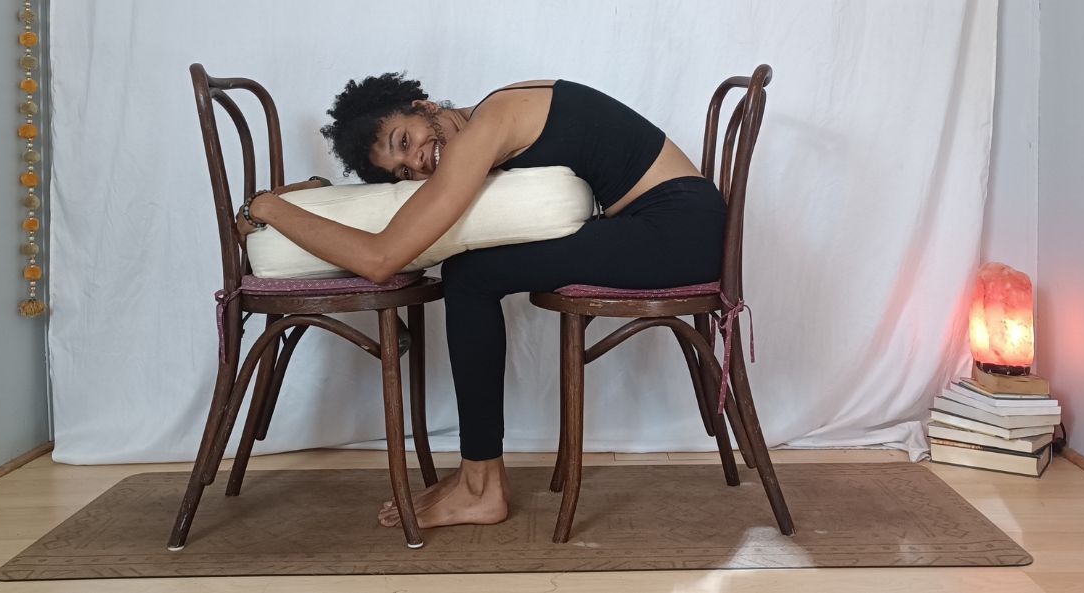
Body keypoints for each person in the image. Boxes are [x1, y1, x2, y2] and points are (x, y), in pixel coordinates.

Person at [239, 73, 724, 529]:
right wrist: (313, 193)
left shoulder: (489, 126)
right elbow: (379, 213)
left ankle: (481, 485)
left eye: (406, 141)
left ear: (424, 106)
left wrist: (267, 208)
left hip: (676, 233)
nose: (421, 163)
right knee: (472, 271)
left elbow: (381, 257)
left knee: (471, 277)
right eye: (404, 169)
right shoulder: (492, 115)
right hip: (673, 226)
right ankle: (478, 476)